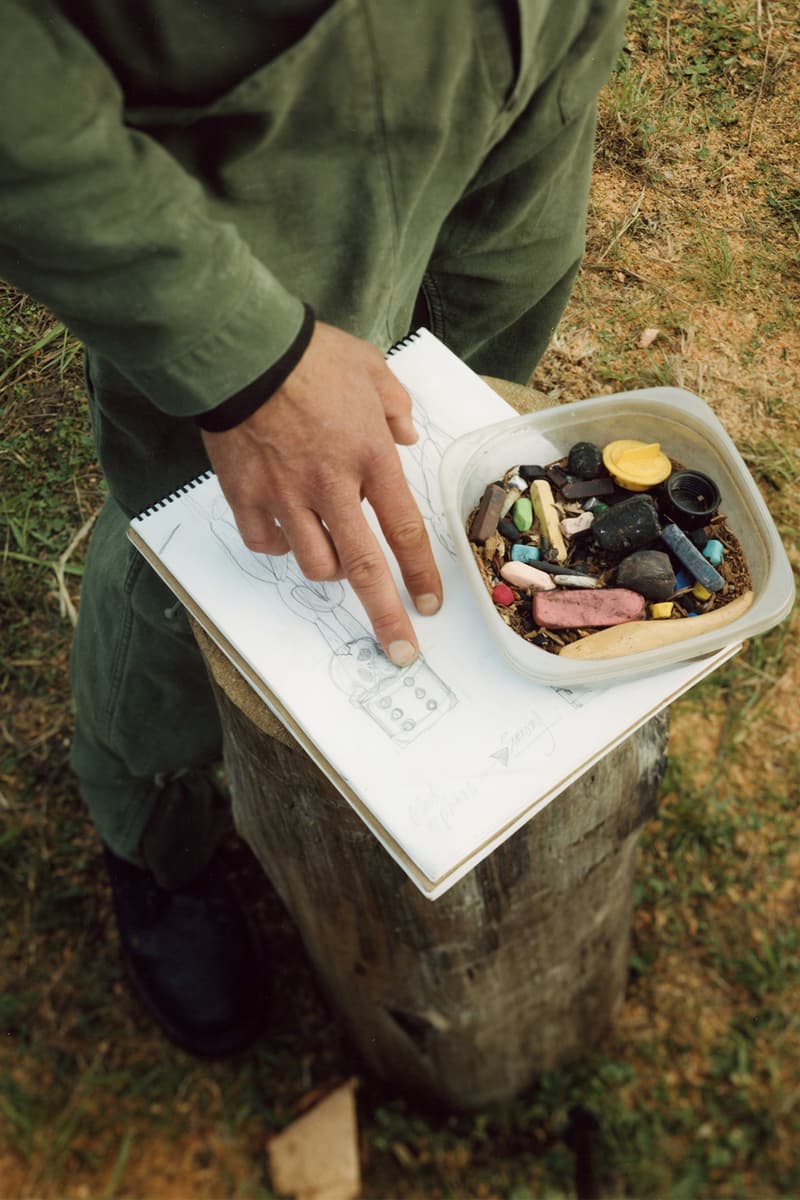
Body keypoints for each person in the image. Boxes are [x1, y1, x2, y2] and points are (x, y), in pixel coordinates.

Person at [1, 0, 627, 1056]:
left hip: (531, 42)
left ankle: (407, 774)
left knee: (459, 430)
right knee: (206, 540)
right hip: (251, 89)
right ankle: (154, 831)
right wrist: (241, 355)